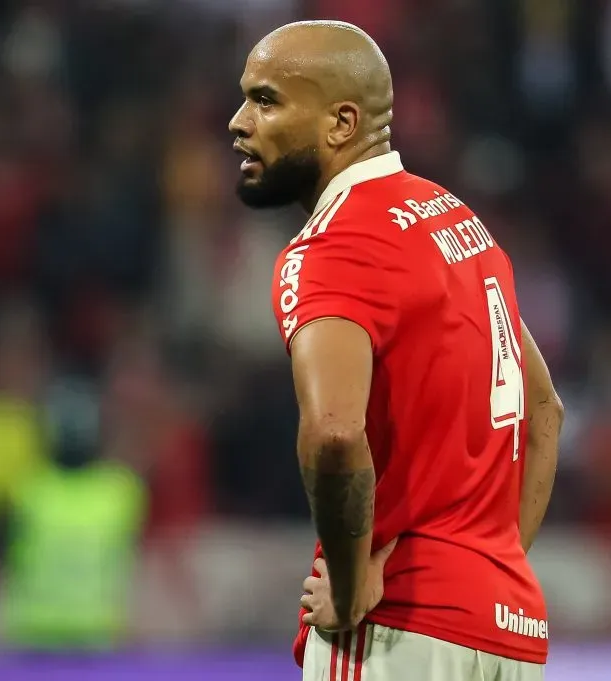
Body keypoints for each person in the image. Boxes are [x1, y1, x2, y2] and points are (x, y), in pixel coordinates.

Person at [228, 20, 564, 681]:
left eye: (266, 100)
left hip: (398, 630)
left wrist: (351, 593)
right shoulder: (458, 223)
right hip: (508, 635)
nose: (239, 122)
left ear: (340, 123)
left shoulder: (332, 249)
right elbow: (545, 409)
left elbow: (330, 433)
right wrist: (484, 574)